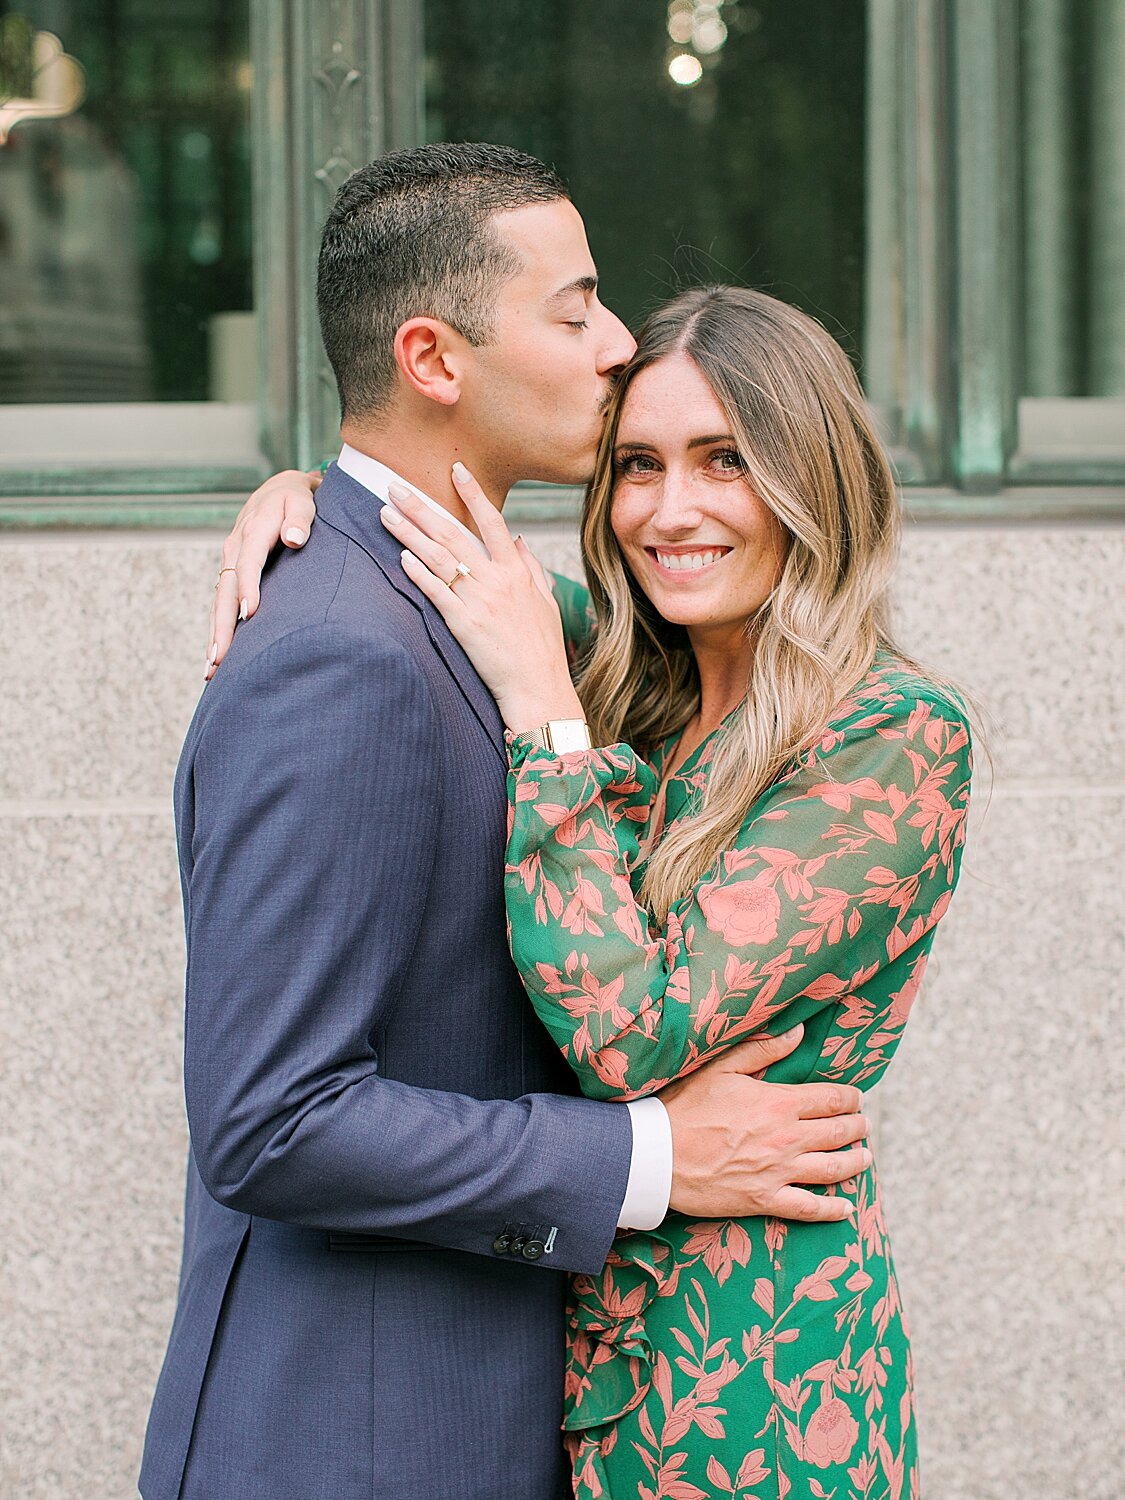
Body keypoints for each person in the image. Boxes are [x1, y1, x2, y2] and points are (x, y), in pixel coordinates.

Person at [143, 144, 871, 1500]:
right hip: (356, 1447)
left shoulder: (471, 609)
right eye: (575, 306)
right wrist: (657, 1154)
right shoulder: (340, 651)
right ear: (432, 358)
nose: (613, 347)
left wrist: (315, 490)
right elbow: (271, 1118)